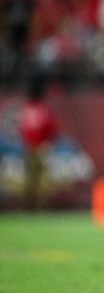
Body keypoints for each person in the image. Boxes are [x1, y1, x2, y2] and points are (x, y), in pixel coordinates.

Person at [19, 75, 58, 210]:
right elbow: (52, 129)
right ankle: (41, 209)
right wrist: (48, 144)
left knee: (30, 181)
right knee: (43, 182)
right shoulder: (44, 110)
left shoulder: (26, 110)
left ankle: (30, 208)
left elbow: (23, 129)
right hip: (41, 148)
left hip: (29, 147)